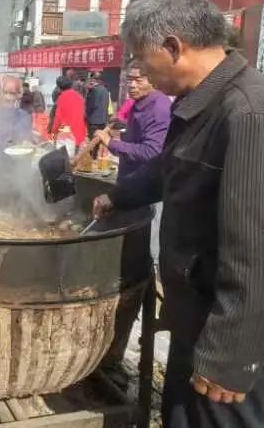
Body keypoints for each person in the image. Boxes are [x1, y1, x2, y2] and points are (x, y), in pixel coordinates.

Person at [94, 0, 264, 428]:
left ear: (172, 47)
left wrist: (231, 358)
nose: (137, 70)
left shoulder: (253, 115)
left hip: (244, 346)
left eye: (140, 57)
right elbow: (170, 169)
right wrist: (118, 195)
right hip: (201, 321)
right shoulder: (199, 105)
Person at [92, 59, 171, 370]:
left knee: (142, 262)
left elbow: (153, 152)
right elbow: (126, 135)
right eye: (130, 79)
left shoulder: (159, 107)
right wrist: (110, 139)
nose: (132, 85)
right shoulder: (137, 105)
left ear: (154, 79)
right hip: (129, 189)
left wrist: (114, 143)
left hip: (148, 195)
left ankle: (126, 331)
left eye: (138, 79)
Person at [50, 76, 86, 145]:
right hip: (80, 135)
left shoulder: (61, 99)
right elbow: (83, 115)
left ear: (59, 88)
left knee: (66, 155)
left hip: (68, 138)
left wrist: (53, 134)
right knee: (77, 155)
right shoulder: (80, 98)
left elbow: (57, 121)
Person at [84, 71, 110, 138]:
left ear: (93, 79)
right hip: (103, 120)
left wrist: (86, 114)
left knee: (93, 142)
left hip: (94, 122)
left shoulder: (93, 91)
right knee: (100, 141)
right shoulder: (105, 90)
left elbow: (90, 106)